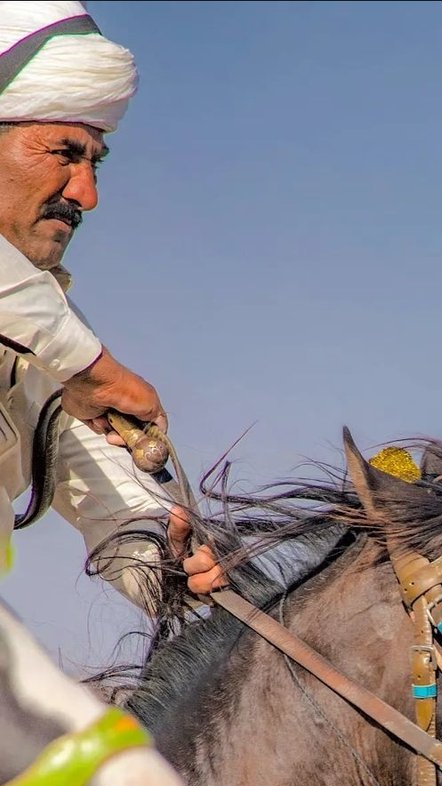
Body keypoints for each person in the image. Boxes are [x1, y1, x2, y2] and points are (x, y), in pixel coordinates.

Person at [0, 0, 221, 604]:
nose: (86, 196)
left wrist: (169, 565)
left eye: (94, 163)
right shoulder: (65, 347)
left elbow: (115, 499)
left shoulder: (49, 338)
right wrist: (93, 369)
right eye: (64, 153)